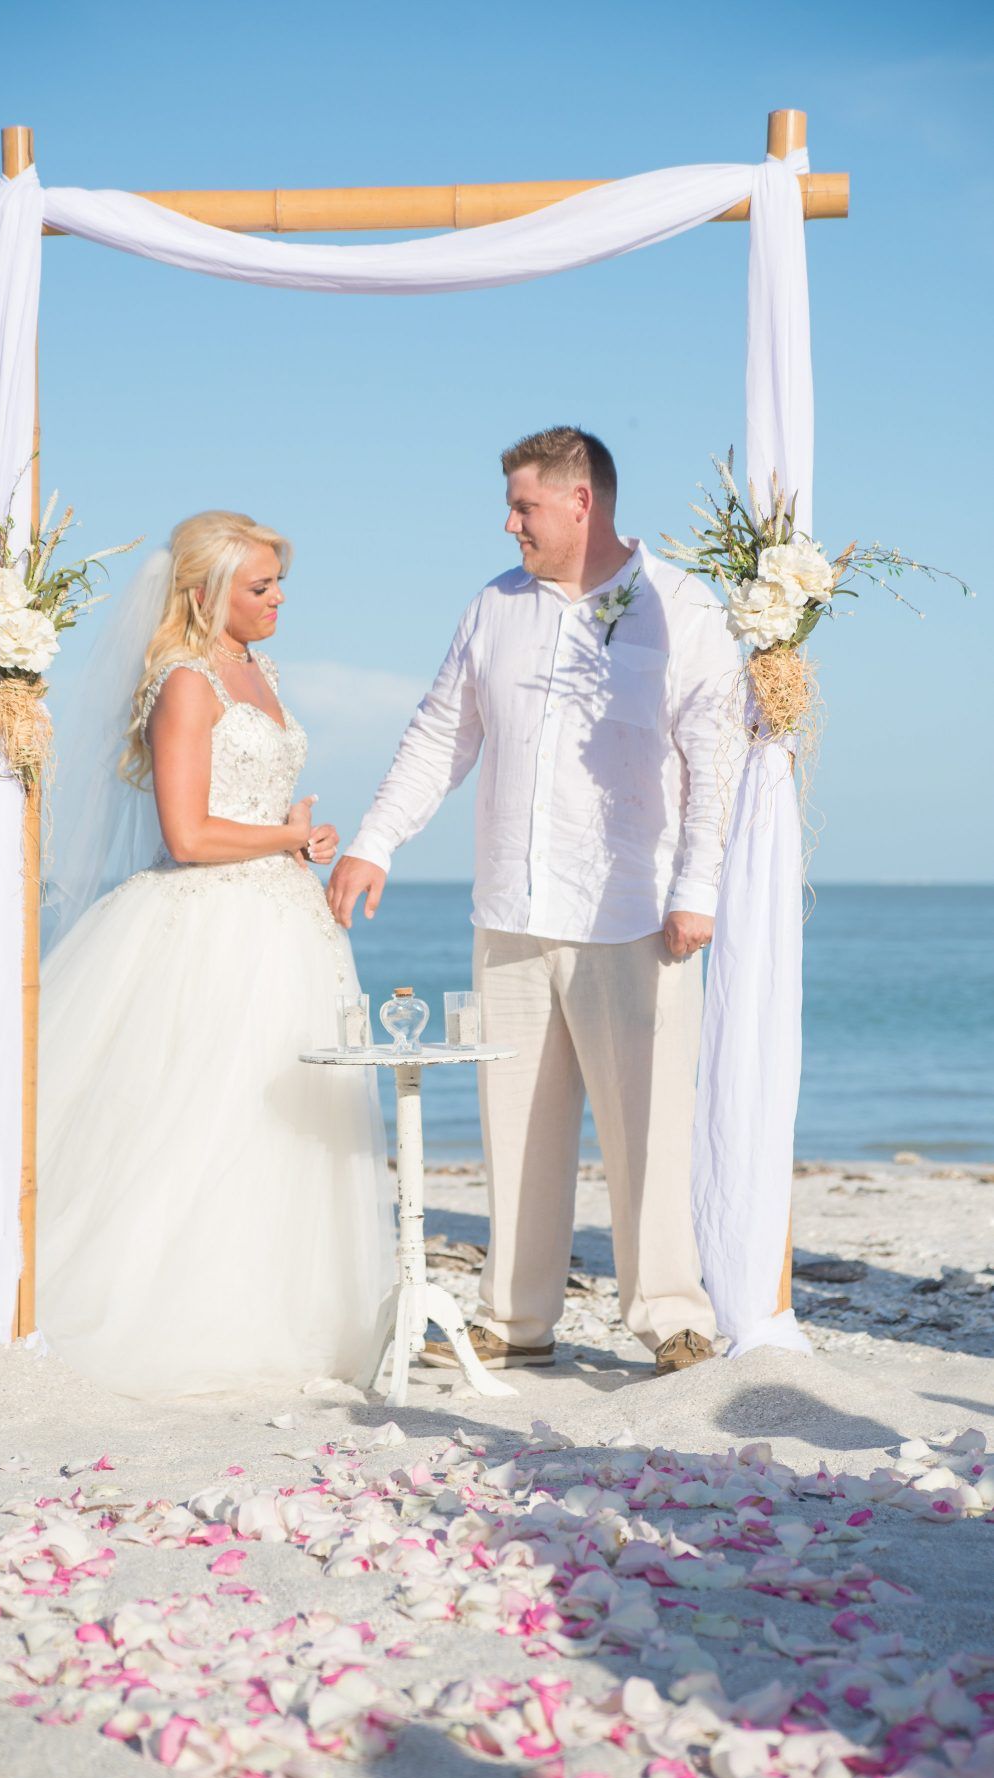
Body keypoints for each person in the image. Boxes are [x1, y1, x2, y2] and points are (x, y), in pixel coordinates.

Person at [0, 511, 392, 1398]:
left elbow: (241, 810)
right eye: (261, 586)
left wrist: (292, 842)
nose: (279, 598)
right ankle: (163, 1315)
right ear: (205, 594)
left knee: (274, 1125)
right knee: (193, 1122)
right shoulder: (185, 683)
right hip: (208, 929)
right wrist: (281, 832)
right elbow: (186, 833)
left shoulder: (260, 670)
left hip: (284, 926)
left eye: (280, 582)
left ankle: (277, 1311)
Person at [328, 428, 739, 1377]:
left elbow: (710, 757)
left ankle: (671, 1316)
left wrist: (699, 888)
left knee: (648, 1128)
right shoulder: (493, 607)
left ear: (581, 502)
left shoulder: (680, 606)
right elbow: (439, 736)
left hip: (637, 913)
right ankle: (515, 1322)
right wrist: (374, 842)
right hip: (510, 909)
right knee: (513, 1124)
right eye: (512, 507)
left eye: (524, 506)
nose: (508, 523)